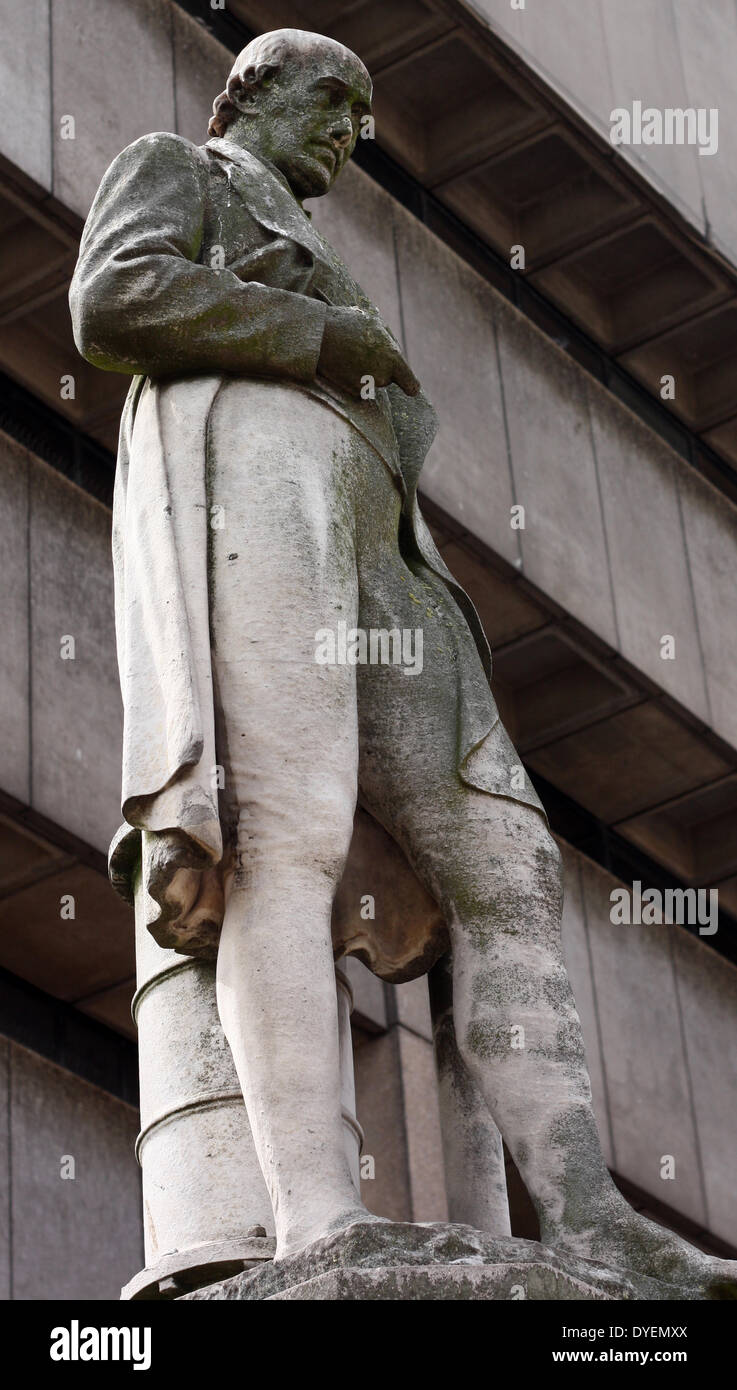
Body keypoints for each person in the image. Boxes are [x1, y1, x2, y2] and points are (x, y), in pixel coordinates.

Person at [70, 29, 735, 1293]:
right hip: (254, 480)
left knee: (505, 853)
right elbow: (110, 302)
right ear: (252, 91)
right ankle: (316, 1209)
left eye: (366, 114)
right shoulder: (180, 167)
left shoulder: (318, 236)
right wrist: (311, 334)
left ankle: (591, 1212)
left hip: (383, 547)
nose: (352, 134)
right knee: (283, 832)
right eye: (335, 101)